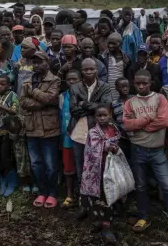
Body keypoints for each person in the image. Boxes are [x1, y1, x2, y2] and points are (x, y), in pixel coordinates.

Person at [123, 69, 168, 245]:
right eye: (138, 83)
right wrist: (148, 120)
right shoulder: (130, 102)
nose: (141, 86)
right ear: (134, 83)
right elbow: (127, 125)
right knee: (141, 186)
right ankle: (143, 217)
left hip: (158, 151)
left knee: (167, 186)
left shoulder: (160, 98)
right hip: (138, 150)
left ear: (150, 82)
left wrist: (141, 127)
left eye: (144, 83)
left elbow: (163, 121)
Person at [68, 58, 112, 219]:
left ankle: (98, 206)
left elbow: (105, 108)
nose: (88, 72)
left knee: (98, 169)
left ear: (96, 70)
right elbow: (73, 110)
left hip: (98, 135)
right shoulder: (74, 87)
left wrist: (84, 104)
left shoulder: (105, 87)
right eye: (85, 70)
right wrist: (94, 107)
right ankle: (84, 205)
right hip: (78, 133)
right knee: (81, 171)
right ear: (81, 71)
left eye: (91, 69)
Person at [20, 51, 61, 208]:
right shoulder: (28, 80)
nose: (36, 65)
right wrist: (41, 102)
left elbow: (50, 98)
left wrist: (33, 92)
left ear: (47, 62)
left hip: (49, 128)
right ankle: (42, 192)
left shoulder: (55, 80)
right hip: (31, 127)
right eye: (34, 63)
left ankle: (53, 193)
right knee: (36, 163)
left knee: (50, 164)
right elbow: (23, 101)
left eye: (40, 62)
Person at [80, 104, 121, 245]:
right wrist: (106, 146)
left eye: (105, 115)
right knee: (98, 197)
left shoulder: (114, 129)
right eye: (99, 115)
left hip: (110, 169)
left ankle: (107, 225)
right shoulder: (93, 132)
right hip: (97, 170)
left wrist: (114, 148)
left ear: (110, 115)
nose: (102, 118)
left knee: (108, 196)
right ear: (95, 117)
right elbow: (92, 149)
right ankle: (100, 222)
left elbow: (117, 144)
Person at [59, 70, 80, 209]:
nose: (71, 82)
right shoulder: (62, 96)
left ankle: (81, 195)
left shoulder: (83, 95)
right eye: (69, 79)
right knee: (68, 167)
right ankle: (69, 195)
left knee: (81, 166)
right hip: (66, 137)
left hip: (80, 137)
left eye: (74, 79)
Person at [3, 115, 32, 193]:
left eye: (16, 130)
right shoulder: (11, 128)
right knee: (20, 165)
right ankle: (24, 184)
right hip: (18, 148)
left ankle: (34, 183)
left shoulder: (24, 124)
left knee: (31, 164)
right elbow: (13, 137)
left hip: (27, 145)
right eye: (13, 131)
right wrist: (14, 134)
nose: (15, 132)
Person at [99, 32, 131, 100]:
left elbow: (128, 77)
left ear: (120, 44)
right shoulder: (103, 57)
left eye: (114, 43)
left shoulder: (126, 59)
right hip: (107, 91)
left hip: (121, 92)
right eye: (109, 43)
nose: (110, 45)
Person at [111, 77, 133, 166]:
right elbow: (113, 120)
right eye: (122, 87)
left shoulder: (135, 99)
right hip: (123, 138)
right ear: (116, 88)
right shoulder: (114, 103)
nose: (125, 89)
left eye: (127, 86)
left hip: (137, 138)